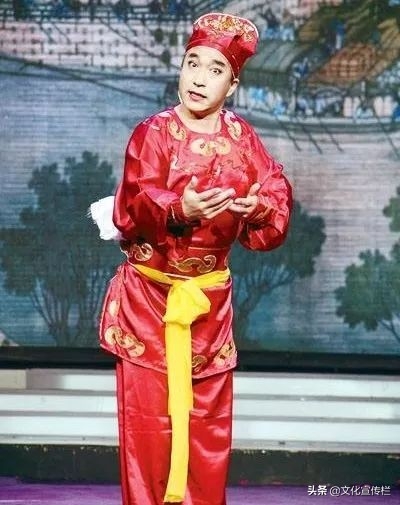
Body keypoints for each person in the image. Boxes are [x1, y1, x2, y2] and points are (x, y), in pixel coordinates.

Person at [92, 12, 292, 505]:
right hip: (150, 301)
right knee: (148, 429)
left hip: (207, 305)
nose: (200, 78)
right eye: (192, 64)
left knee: (207, 430)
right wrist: (180, 208)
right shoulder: (153, 134)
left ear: (233, 84)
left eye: (215, 69)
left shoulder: (243, 140)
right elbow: (136, 199)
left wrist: (258, 207)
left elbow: (275, 192)